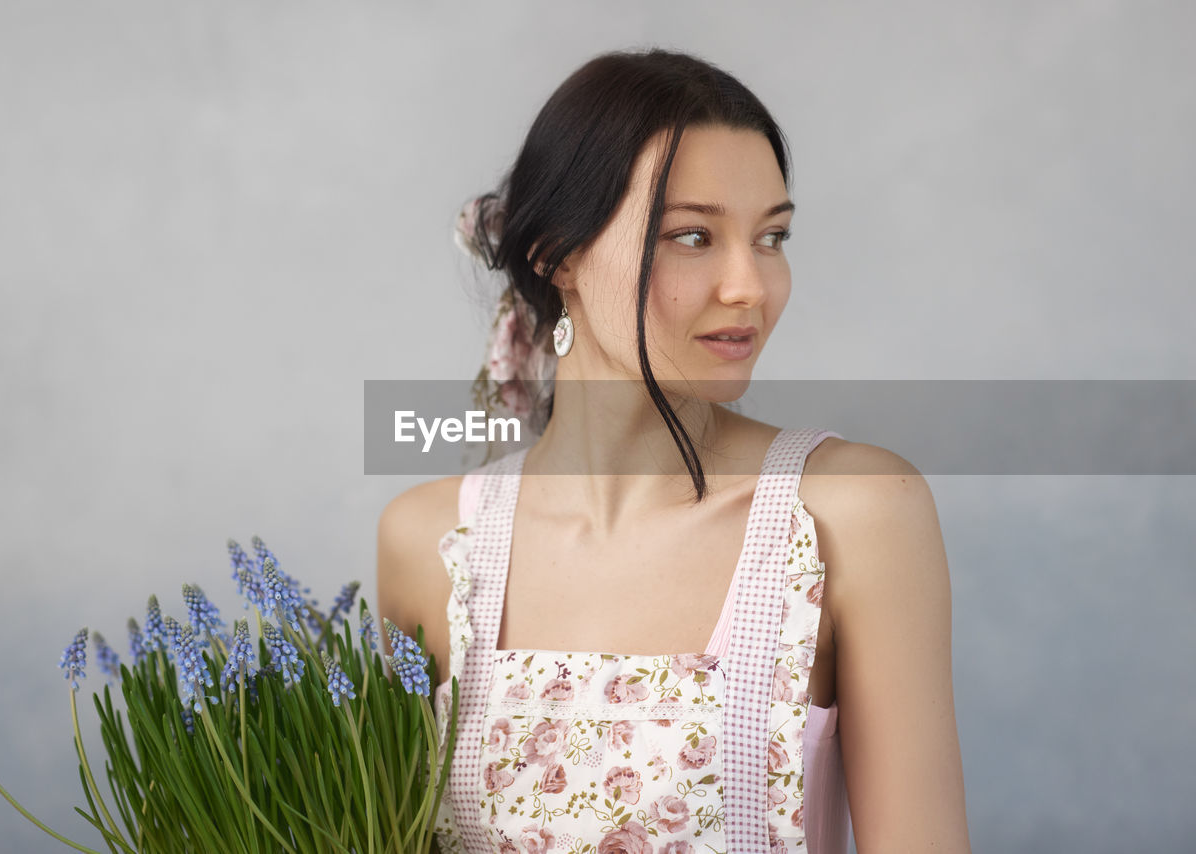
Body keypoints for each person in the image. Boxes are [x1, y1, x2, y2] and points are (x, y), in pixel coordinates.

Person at [378, 48, 971, 853]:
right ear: (560, 255)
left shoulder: (853, 512)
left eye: (771, 237)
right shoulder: (429, 546)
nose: (750, 287)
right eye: (694, 236)